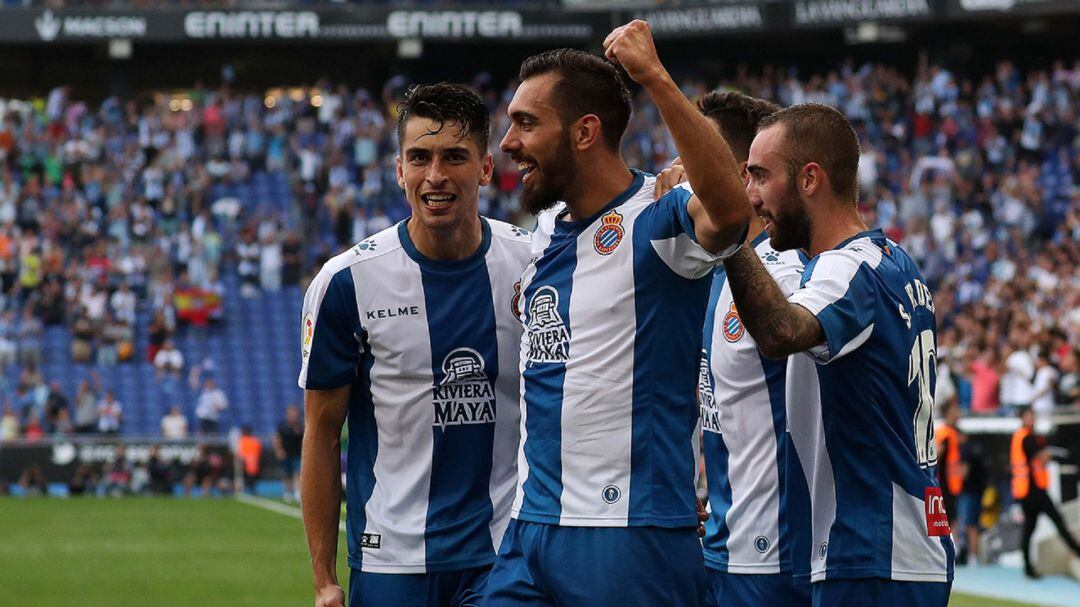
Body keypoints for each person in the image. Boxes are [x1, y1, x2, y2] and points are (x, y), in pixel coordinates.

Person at [484, 23, 749, 606]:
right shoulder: (548, 229)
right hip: (531, 530)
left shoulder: (660, 215)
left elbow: (730, 212)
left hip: (627, 533)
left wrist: (653, 75)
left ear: (584, 132)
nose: (507, 142)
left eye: (526, 123)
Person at [700, 101, 955, 605]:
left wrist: (730, 238)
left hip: (872, 550)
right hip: (899, 542)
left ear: (810, 179)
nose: (750, 197)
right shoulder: (894, 261)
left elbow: (779, 332)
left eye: (759, 177)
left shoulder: (846, 269)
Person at [299, 83, 531, 607]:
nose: (436, 176)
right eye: (419, 157)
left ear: (486, 168)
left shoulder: (535, 266)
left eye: (455, 157)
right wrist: (323, 578)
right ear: (399, 169)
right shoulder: (346, 283)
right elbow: (321, 430)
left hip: (505, 553)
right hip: (392, 561)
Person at [654, 91, 812, 606]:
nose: (678, 168)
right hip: (722, 542)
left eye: (694, 154)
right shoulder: (716, 274)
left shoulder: (784, 275)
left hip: (776, 556)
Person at [1010, 407, 1080, 578]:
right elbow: (1041, 456)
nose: (1031, 419)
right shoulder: (1025, 437)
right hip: (1032, 491)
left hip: (1032, 489)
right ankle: (1077, 550)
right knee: (1056, 522)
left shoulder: (1032, 436)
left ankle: (1028, 568)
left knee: (1030, 529)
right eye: (1028, 416)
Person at [935, 405, 965, 548]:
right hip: (945, 483)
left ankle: (951, 545)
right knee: (948, 517)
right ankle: (950, 546)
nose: (957, 414)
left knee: (951, 516)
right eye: (955, 411)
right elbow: (938, 454)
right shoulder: (946, 433)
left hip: (951, 483)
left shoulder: (950, 432)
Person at [274, 404, 303, 503]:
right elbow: (277, 438)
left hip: (298, 454)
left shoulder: (300, 426)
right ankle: (287, 492)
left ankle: (297, 492)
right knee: (286, 474)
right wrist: (279, 450)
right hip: (286, 454)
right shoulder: (282, 426)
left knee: (298, 472)